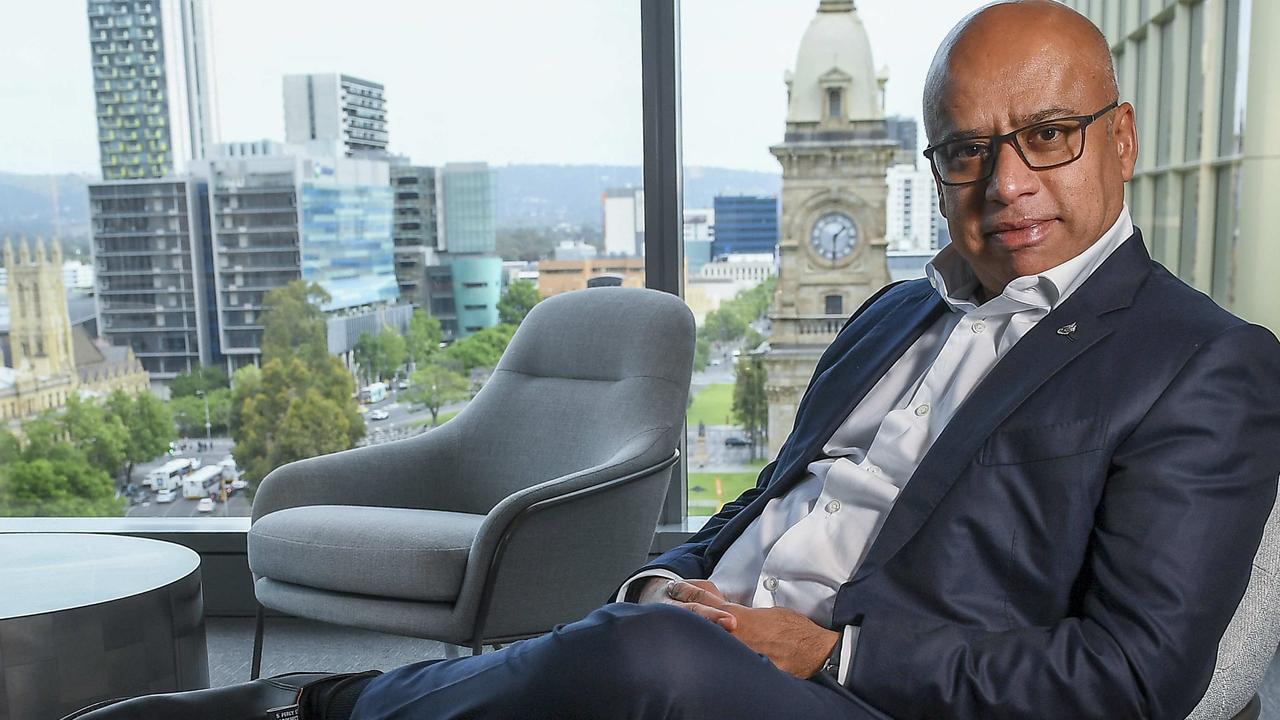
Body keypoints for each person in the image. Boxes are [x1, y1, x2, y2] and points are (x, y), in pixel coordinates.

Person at [69, 2, 1280, 719]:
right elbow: (767, 509)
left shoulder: (1199, 364)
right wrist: (677, 583)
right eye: (965, 150)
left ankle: (305, 706)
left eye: (1047, 136)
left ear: (1118, 139)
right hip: (720, 635)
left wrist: (828, 649)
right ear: (931, 166)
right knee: (634, 628)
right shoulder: (887, 316)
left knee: (637, 659)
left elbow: (1137, 678)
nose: (1005, 179)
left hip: (863, 694)